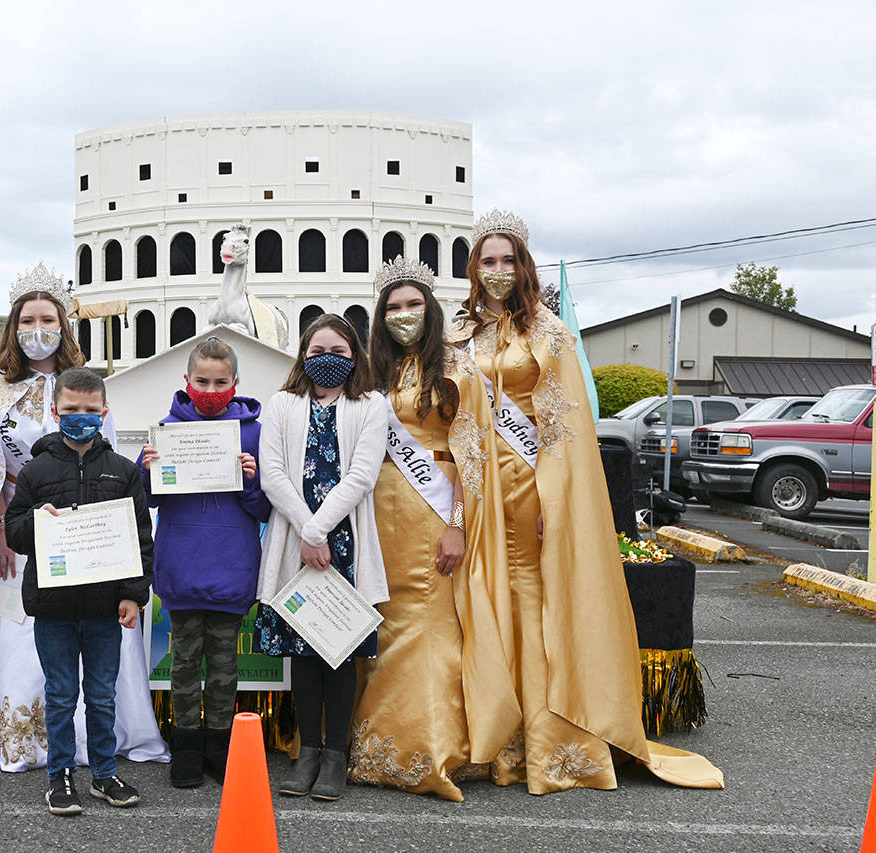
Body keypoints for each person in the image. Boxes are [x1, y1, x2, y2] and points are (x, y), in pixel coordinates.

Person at [449, 209, 723, 793]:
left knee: (528, 596)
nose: (497, 271)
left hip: (529, 483)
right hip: (475, 487)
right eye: (487, 261)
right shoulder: (458, 333)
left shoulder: (546, 332)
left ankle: (543, 736)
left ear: (523, 267)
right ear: (473, 268)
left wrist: (556, 498)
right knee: (483, 597)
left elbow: (566, 427)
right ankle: (492, 729)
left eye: (507, 260)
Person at [0, 264, 167, 775]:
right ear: (14, 327)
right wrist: (2, 533)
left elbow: (107, 463)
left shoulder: (86, 387)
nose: (37, 328)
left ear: (63, 325)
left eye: (48, 318)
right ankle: (26, 739)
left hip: (86, 535)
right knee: (25, 633)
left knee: (89, 633)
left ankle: (94, 740)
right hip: (18, 525)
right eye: (28, 319)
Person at [347, 258, 496, 801]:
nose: (403, 315)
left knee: (429, 621)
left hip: (434, 501)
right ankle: (367, 742)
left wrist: (458, 526)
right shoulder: (371, 369)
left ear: (431, 310)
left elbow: (474, 454)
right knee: (380, 619)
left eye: (413, 305)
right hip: (376, 504)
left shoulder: (456, 367)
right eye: (392, 307)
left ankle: (429, 744)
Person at [5, 367, 153, 816]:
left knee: (103, 693)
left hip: (106, 608)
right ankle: (61, 776)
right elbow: (13, 531)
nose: (81, 418)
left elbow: (140, 537)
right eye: (71, 410)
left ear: (104, 413)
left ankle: (104, 773)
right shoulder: (35, 471)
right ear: (55, 412)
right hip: (53, 608)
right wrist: (37, 521)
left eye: (90, 411)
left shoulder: (123, 472)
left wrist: (133, 594)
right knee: (62, 693)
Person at [255, 314, 388, 802]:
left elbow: (361, 475)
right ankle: (306, 751)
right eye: (316, 351)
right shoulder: (282, 404)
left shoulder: (371, 404)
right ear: (302, 356)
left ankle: (335, 756)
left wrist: (318, 530)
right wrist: (306, 533)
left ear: (354, 355)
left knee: (341, 652)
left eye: (337, 350)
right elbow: (272, 475)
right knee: (302, 655)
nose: (326, 359)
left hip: (344, 544)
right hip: (295, 547)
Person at [137, 337, 270, 789]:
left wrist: (250, 482)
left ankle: (219, 748)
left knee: (225, 665)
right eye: (201, 381)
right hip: (181, 566)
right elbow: (151, 499)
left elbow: (265, 511)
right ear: (186, 382)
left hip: (231, 566)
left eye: (219, 382)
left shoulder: (253, 431)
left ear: (235, 383)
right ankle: (186, 750)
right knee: (185, 663)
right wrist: (146, 469)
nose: (210, 389)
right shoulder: (165, 430)